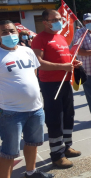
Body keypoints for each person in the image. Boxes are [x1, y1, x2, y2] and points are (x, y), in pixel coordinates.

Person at [0, 21, 54, 178]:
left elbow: (34, 72)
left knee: (32, 143)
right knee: (9, 152)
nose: (9, 35)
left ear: (18, 32)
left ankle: (31, 172)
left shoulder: (27, 51)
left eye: (12, 31)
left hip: (35, 109)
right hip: (10, 112)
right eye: (4, 32)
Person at [31, 10, 82, 168]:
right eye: (54, 19)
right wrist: (63, 66)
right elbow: (38, 63)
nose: (58, 22)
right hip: (51, 85)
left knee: (68, 116)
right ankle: (56, 154)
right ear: (45, 22)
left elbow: (64, 59)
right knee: (55, 119)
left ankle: (66, 147)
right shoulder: (39, 39)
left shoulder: (60, 37)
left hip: (65, 82)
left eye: (59, 19)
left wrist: (73, 64)